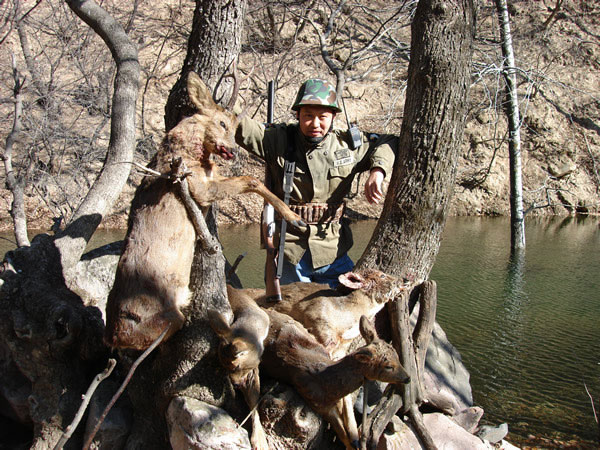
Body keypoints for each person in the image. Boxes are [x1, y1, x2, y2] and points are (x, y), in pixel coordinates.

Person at [235, 78, 396, 288]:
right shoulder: (276, 139)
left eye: (322, 117)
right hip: (289, 252)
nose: (315, 124)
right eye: (308, 116)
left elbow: (390, 141)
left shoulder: (348, 145)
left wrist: (378, 171)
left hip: (333, 251)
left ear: (334, 117)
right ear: (297, 115)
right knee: (290, 315)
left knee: (346, 308)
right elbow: (237, 123)